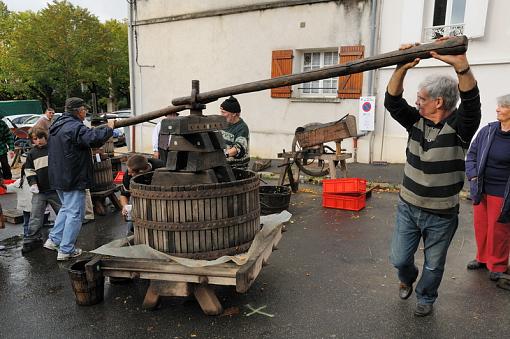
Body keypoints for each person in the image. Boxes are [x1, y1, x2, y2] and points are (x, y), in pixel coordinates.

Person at [385, 39, 481, 317]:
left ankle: (426, 297)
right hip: (408, 207)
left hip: (441, 215)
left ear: (439, 102)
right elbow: (392, 101)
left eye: (422, 98)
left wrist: (461, 66)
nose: (416, 102)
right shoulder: (415, 121)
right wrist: (401, 67)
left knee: (434, 265)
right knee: (400, 258)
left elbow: (472, 101)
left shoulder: (460, 128)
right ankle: (407, 276)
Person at [46, 97, 114, 261]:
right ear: (78, 110)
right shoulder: (74, 126)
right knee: (75, 213)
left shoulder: (58, 124)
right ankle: (66, 250)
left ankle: (54, 240)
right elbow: (93, 139)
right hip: (72, 177)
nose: (86, 113)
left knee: (66, 209)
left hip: (59, 176)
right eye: (84, 109)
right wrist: (109, 129)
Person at [465, 94, 510, 282]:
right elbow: (472, 154)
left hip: (503, 191)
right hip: (481, 186)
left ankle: (498, 265)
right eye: (498, 105)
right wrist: (473, 176)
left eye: (502, 106)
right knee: (481, 225)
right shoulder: (488, 130)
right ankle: (483, 258)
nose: (497, 109)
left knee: (499, 229)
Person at [21, 128, 62, 253]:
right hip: (40, 191)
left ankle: (64, 235)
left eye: (40, 137)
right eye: (35, 139)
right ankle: (32, 239)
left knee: (62, 213)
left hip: (56, 189)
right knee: (35, 216)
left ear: (45, 136)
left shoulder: (54, 149)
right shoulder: (32, 154)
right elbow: (29, 170)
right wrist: (32, 183)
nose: (38, 141)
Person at [120, 154, 164, 233]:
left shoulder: (160, 167)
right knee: (131, 226)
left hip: (160, 200)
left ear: (141, 172)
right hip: (138, 199)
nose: (129, 174)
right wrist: (125, 206)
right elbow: (123, 195)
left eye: (131, 172)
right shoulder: (128, 175)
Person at [219, 96, 250, 169]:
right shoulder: (223, 124)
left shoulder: (242, 128)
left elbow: (237, 148)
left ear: (234, 113)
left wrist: (222, 155)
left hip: (237, 169)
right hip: (224, 166)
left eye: (224, 112)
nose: (221, 115)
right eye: (221, 112)